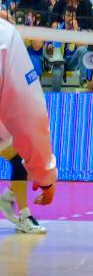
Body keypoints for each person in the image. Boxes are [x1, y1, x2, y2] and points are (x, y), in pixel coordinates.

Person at [0, 17, 57, 231]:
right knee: (20, 157)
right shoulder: (7, 36)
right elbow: (29, 113)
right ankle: (15, 204)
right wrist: (46, 177)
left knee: (19, 158)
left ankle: (17, 205)